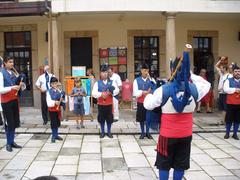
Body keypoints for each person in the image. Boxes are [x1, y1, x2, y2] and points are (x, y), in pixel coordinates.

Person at [144, 44, 210, 180]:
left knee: (164, 164)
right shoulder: (194, 89)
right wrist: (191, 75)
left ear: (172, 70)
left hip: (167, 135)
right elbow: (207, 85)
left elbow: (148, 105)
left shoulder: (163, 90)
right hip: (185, 134)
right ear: (186, 71)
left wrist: (149, 95)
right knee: (180, 164)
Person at [0, 56, 26, 152]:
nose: (12, 64)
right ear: (5, 63)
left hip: (14, 100)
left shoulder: (14, 73)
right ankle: (8, 143)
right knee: (9, 123)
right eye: (10, 62)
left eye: (12, 62)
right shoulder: (1, 73)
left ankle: (12, 142)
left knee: (14, 122)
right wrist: (12, 88)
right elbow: (1, 90)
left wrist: (22, 84)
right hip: (6, 102)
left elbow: (21, 88)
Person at [92, 64, 119, 138]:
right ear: (100, 73)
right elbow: (93, 93)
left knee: (109, 119)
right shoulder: (97, 83)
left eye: (106, 72)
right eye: (103, 72)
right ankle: (102, 132)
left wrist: (111, 92)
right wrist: (101, 94)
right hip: (101, 104)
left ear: (108, 73)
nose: (105, 74)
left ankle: (109, 132)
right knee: (101, 118)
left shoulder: (112, 82)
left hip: (109, 104)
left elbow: (117, 90)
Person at [133, 63, 155, 139]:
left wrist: (151, 80)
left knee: (149, 118)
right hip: (141, 102)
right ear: (141, 71)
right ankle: (142, 132)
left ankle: (148, 132)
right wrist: (142, 92)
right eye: (144, 70)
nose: (146, 72)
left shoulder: (151, 80)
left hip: (149, 102)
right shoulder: (136, 80)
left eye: (147, 70)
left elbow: (155, 88)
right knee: (141, 118)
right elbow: (135, 92)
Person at [223, 65, 240, 140]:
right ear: (233, 72)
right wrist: (235, 89)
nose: (237, 73)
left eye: (239, 71)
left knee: (237, 120)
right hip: (230, 103)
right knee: (229, 119)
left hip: (239, 104)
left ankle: (235, 134)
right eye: (236, 71)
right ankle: (227, 133)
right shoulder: (228, 80)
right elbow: (226, 89)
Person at [46, 77, 65, 143]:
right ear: (51, 84)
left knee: (57, 123)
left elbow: (63, 99)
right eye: (53, 83)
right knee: (53, 123)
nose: (55, 85)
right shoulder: (49, 91)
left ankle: (56, 135)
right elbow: (48, 102)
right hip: (52, 110)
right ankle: (53, 136)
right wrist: (55, 102)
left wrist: (62, 99)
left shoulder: (59, 91)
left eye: (56, 83)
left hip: (57, 109)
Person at [215, 57, 232, 124]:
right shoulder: (222, 74)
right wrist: (220, 60)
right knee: (222, 108)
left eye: (221, 68)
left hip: (225, 94)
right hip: (221, 93)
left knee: (225, 108)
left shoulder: (229, 76)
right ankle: (225, 120)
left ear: (225, 69)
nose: (220, 69)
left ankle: (224, 120)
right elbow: (216, 66)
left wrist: (223, 88)